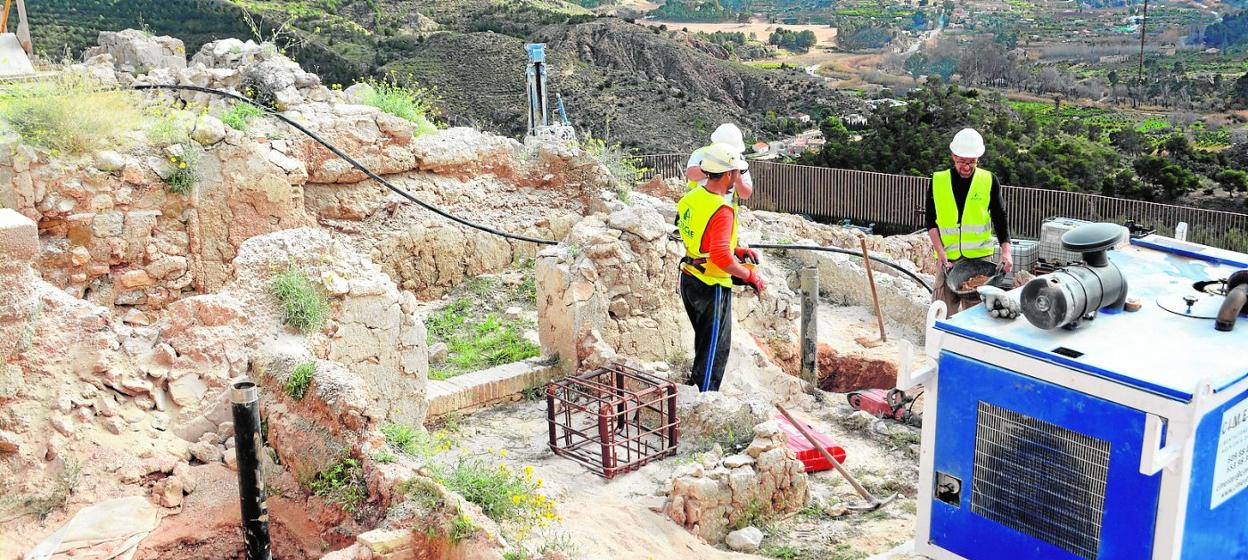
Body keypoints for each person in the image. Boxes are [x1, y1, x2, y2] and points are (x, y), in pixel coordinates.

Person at [676, 143, 765, 392]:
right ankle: (704, 404)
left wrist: (735, 250)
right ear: (728, 174)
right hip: (711, 285)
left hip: (689, 277)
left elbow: (700, 238)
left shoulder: (690, 198)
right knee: (715, 351)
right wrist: (749, 275)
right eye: (737, 172)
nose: (738, 177)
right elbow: (720, 259)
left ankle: (695, 386)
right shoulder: (722, 210)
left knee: (704, 343)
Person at [927, 128, 1012, 315]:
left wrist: (1006, 251)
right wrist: (940, 253)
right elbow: (931, 222)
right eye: (962, 162)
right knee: (941, 312)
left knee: (976, 316)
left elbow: (1000, 217)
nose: (966, 167)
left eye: (971, 162)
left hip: (979, 261)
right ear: (953, 156)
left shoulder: (988, 180)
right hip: (948, 259)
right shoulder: (938, 181)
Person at [685, 123, 754, 200]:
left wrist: (738, 180)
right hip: (698, 205)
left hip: (723, 208)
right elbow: (691, 174)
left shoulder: (738, 159)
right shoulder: (701, 153)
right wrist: (713, 169)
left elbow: (746, 194)